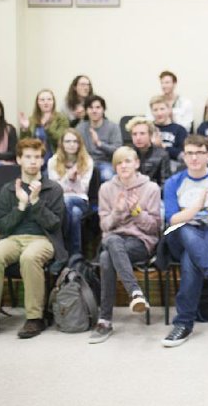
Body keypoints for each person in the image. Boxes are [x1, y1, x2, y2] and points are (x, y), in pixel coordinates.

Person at [0, 138, 67, 340]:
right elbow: (2, 226)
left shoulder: (53, 189)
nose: (33, 161)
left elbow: (55, 225)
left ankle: (35, 317)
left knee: (29, 257)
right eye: (28, 157)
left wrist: (35, 202)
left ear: (43, 161)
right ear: (19, 159)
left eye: (37, 157)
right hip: (14, 238)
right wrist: (22, 206)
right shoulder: (8, 190)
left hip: (43, 239)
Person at [159, 135, 208, 347]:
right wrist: (199, 202)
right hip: (179, 235)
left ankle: (183, 324)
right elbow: (173, 219)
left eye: (199, 153)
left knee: (190, 258)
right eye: (190, 153)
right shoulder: (173, 182)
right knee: (185, 230)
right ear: (184, 156)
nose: (194, 158)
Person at [89, 146, 161, 344]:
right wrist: (118, 212)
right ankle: (135, 292)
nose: (123, 166)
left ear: (137, 163)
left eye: (127, 161)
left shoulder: (151, 188)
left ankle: (104, 320)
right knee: (111, 242)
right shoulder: (106, 189)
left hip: (140, 242)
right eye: (118, 163)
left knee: (106, 256)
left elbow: (154, 228)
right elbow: (104, 225)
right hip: (114, 239)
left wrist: (136, 211)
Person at [47, 129, 94, 255]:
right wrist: (68, 178)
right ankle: (75, 256)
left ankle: (61, 247)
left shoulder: (87, 161)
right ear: (61, 144)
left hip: (80, 200)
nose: (71, 144)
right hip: (59, 201)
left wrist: (75, 180)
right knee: (75, 214)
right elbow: (55, 189)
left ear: (80, 144)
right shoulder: (53, 161)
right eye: (68, 141)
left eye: (75, 141)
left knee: (68, 201)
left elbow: (83, 189)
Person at [76, 95, 122, 182]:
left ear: (103, 110)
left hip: (106, 163)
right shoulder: (80, 128)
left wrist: (99, 144)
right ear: (86, 110)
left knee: (107, 176)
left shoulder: (113, 127)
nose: (94, 111)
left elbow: (118, 150)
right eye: (90, 108)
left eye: (98, 107)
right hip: (85, 162)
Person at [18, 89, 70, 164]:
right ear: (37, 103)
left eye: (49, 99)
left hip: (55, 157)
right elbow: (23, 143)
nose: (46, 102)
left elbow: (61, 139)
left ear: (53, 102)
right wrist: (25, 129)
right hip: (34, 157)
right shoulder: (32, 119)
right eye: (42, 100)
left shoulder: (61, 119)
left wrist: (47, 127)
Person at [127, 116, 171, 186]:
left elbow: (165, 184)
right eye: (134, 134)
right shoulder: (127, 154)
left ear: (150, 135)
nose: (138, 138)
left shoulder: (162, 155)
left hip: (154, 193)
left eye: (142, 133)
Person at [150, 95, 188, 163]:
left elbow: (183, 156)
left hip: (172, 163)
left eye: (162, 109)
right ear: (151, 112)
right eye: (155, 110)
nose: (159, 113)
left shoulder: (180, 130)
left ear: (169, 110)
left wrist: (162, 146)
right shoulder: (148, 128)